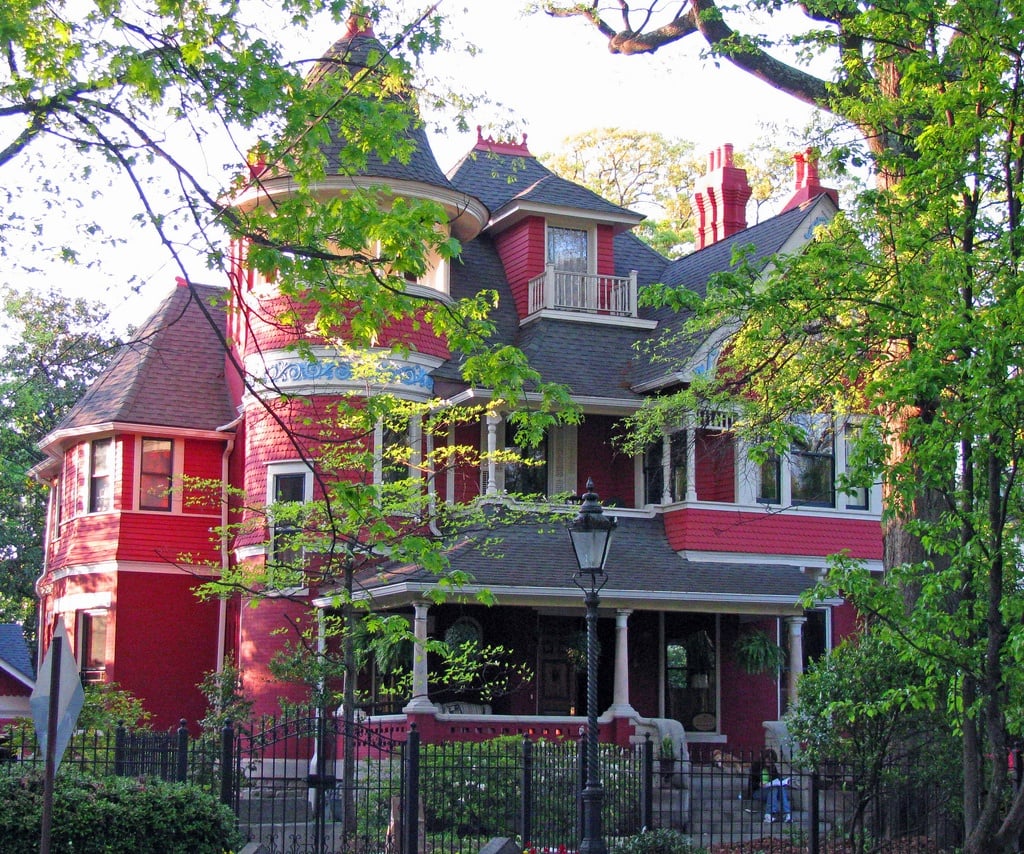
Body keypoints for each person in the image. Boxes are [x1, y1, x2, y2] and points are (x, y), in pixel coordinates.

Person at [748, 748, 791, 823]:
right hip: (757, 791)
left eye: (772, 761)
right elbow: (752, 782)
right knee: (773, 789)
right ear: (764, 758)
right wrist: (759, 784)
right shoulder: (756, 766)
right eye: (768, 759)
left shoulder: (773, 767)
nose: (769, 762)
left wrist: (783, 782)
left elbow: (777, 779)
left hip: (770, 790)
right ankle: (768, 814)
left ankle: (786, 814)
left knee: (780, 788)